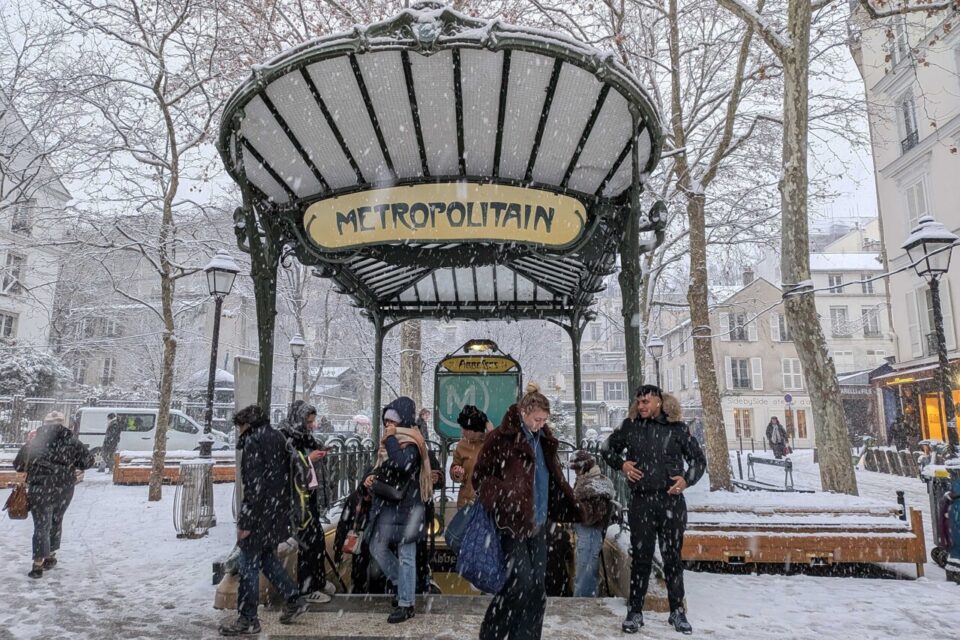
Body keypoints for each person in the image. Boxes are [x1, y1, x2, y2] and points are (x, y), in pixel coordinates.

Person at [472, 383, 580, 640]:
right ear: (523, 413)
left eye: (544, 420)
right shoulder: (501, 438)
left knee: (537, 587)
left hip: (540, 521)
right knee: (520, 582)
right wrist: (503, 498)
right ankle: (493, 632)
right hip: (512, 523)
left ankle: (527, 636)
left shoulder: (544, 439)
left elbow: (550, 476)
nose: (541, 424)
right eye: (537, 419)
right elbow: (480, 477)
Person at [602, 385, 705, 635]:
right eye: (639, 402)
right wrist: (623, 465)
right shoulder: (630, 427)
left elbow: (698, 460)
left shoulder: (678, 429)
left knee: (672, 559)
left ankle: (677, 612)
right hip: (641, 502)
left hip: (671, 503)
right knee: (641, 559)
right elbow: (606, 450)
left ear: (659, 402)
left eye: (646, 401)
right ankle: (635, 612)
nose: (642, 406)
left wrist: (686, 480)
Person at [219, 405, 307, 636]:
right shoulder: (276, 436)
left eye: (240, 426)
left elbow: (254, 488)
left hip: (259, 516)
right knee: (267, 558)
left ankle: (248, 618)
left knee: (248, 565)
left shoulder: (253, 442)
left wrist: (245, 524)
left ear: (246, 424)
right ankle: (293, 598)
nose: (239, 431)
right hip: (276, 512)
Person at [364, 397, 432, 624]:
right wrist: (370, 477)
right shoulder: (389, 442)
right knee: (376, 545)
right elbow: (385, 468)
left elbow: (403, 465)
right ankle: (399, 583)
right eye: (385, 421)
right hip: (388, 506)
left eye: (391, 421)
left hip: (407, 506)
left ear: (402, 421)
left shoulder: (411, 440)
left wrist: (392, 439)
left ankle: (406, 603)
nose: (387, 425)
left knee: (406, 555)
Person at [13, 411, 94, 578]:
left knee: (41, 525)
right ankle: (50, 556)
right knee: (56, 519)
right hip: (63, 488)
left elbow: (19, 466)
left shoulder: (35, 442)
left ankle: (37, 563)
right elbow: (87, 462)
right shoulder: (71, 441)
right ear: (62, 424)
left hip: (39, 488)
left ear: (45, 424)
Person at [281, 400, 335, 605]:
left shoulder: (305, 437)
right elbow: (290, 466)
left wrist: (319, 452)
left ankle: (318, 581)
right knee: (308, 541)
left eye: (313, 421)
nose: (312, 425)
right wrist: (309, 459)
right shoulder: (287, 438)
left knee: (317, 538)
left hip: (309, 495)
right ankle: (307, 587)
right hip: (298, 499)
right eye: (309, 421)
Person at [569, 450, 615, 598]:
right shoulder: (588, 481)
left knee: (585, 570)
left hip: (590, 532)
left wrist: (575, 511)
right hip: (588, 532)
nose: (575, 473)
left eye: (577, 469)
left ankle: (583, 600)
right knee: (585, 569)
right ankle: (583, 597)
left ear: (584, 467)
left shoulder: (594, 486)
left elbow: (591, 516)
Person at [450, 405, 488, 508]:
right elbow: (454, 468)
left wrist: (491, 430)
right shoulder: (462, 445)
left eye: (465, 429)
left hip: (487, 504)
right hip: (466, 503)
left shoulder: (491, 443)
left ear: (474, 430)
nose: (462, 432)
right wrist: (457, 474)